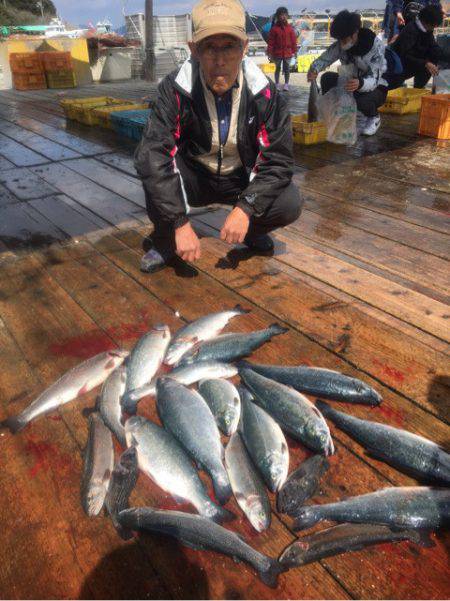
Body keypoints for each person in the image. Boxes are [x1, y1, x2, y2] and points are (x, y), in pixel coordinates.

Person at [136, 0, 302, 274]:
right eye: (210, 47)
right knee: (155, 174)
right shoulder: (174, 89)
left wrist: (246, 208)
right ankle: (166, 239)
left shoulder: (265, 93)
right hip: (195, 176)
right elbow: (152, 155)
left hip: (239, 177)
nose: (220, 60)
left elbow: (279, 161)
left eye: (229, 47)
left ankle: (249, 229)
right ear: (194, 50)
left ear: (245, 47)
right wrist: (178, 221)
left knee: (289, 202)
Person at [307, 10, 388, 137]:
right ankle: (337, 113)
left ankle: (374, 117)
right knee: (327, 78)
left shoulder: (375, 47)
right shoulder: (341, 45)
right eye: (339, 40)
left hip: (376, 87)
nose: (341, 43)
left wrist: (361, 83)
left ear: (355, 33)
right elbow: (325, 58)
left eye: (344, 39)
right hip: (350, 82)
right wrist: (314, 69)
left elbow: (375, 77)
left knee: (362, 100)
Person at [388, 4, 450, 88]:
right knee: (428, 64)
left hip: (415, 62)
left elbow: (434, 49)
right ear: (428, 22)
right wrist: (425, 63)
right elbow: (404, 55)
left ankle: (418, 87)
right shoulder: (410, 30)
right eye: (434, 25)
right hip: (398, 67)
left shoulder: (427, 29)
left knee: (433, 58)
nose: (435, 27)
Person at [267, 7, 298, 91]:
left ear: (287, 16)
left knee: (287, 69)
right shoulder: (274, 29)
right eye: (281, 15)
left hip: (288, 53)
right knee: (277, 68)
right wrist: (269, 53)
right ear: (278, 16)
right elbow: (270, 42)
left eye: (285, 15)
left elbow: (293, 42)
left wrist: (295, 52)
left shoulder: (290, 29)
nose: (283, 17)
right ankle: (277, 83)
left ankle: (286, 84)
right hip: (277, 53)